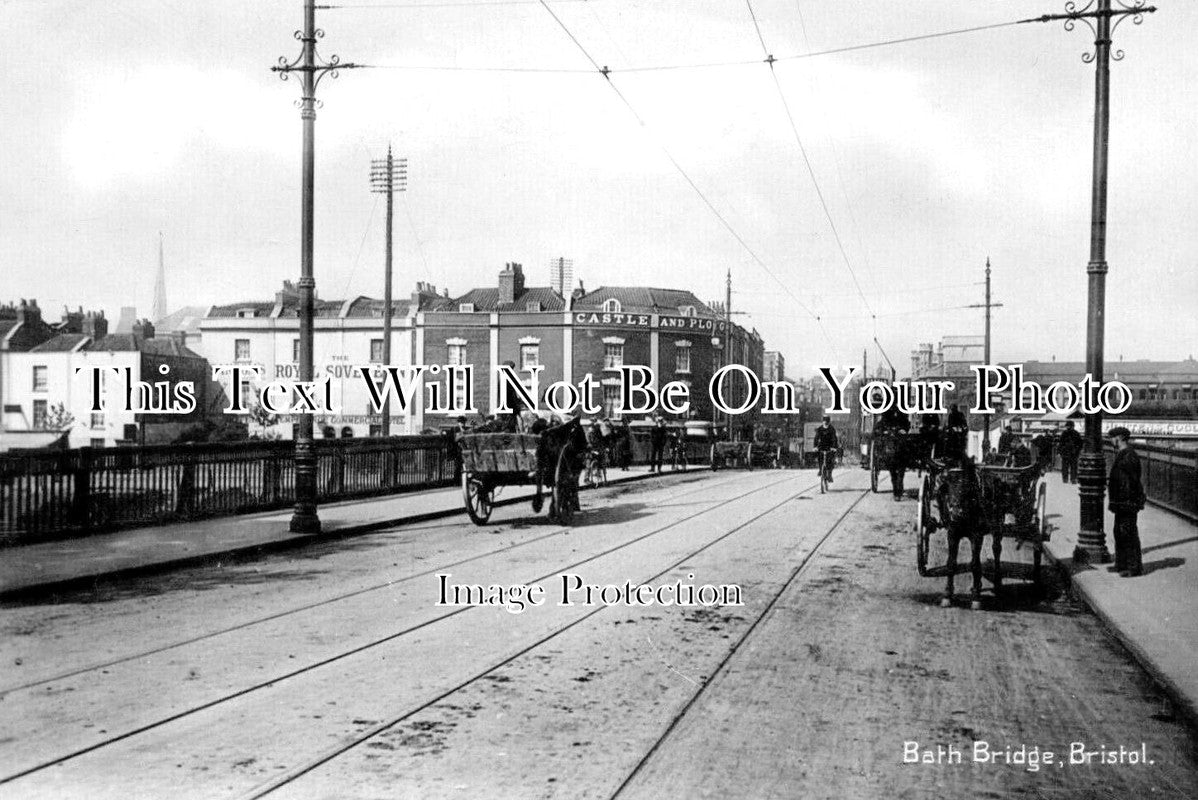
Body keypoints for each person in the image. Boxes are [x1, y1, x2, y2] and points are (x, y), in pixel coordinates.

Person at [1107, 427, 1145, 577]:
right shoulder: (1124, 454)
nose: (1110, 440)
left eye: (1112, 437)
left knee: (1128, 534)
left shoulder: (1128, 456)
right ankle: (1121, 564)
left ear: (1119, 438)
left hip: (1127, 501)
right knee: (1119, 532)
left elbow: (1132, 481)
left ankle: (1133, 568)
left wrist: (1128, 499)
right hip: (1121, 501)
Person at [813, 416, 839, 484]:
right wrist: (815, 447)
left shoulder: (832, 429)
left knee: (831, 460)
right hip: (821, 446)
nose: (825, 423)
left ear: (829, 422)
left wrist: (834, 447)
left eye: (827, 421)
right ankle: (820, 469)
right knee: (819, 457)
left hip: (830, 446)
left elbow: (834, 439)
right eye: (824, 421)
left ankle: (829, 474)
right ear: (822, 422)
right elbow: (816, 438)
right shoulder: (820, 429)